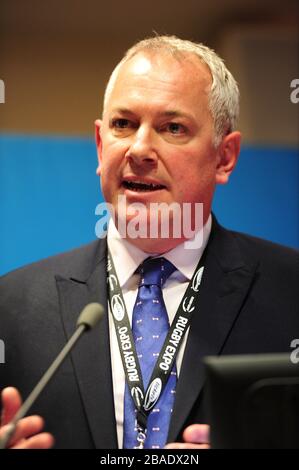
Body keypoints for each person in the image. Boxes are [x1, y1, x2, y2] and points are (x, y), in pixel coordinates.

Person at [0, 35, 298, 450]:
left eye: (172, 128)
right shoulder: (11, 307)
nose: (139, 148)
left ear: (224, 156)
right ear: (101, 145)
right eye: (123, 124)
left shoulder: (290, 293)